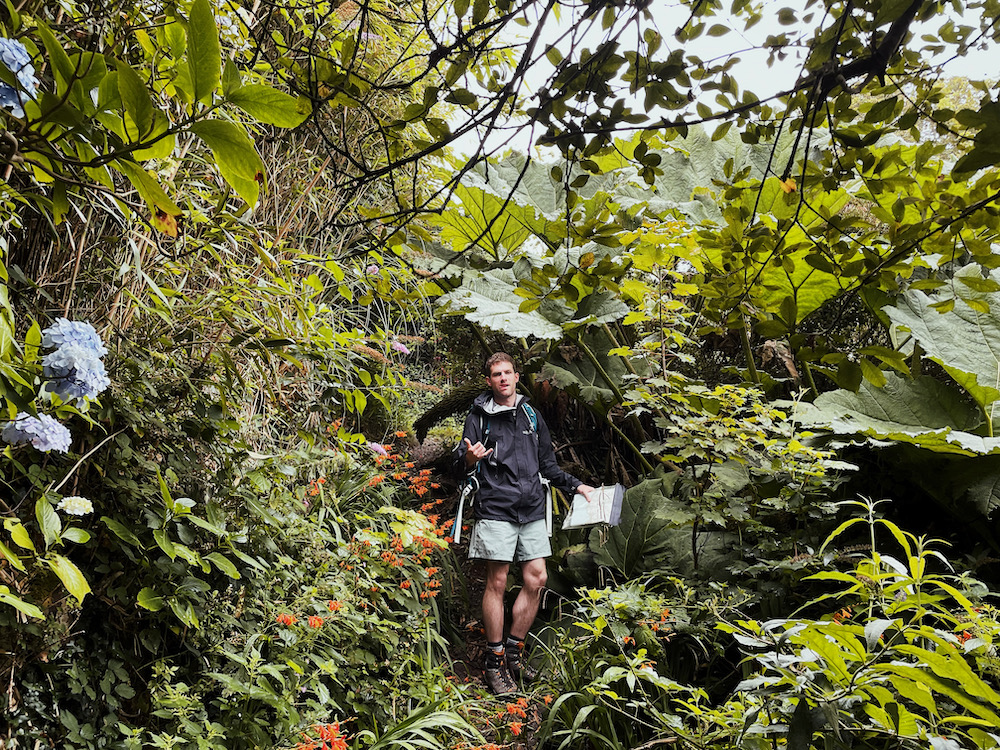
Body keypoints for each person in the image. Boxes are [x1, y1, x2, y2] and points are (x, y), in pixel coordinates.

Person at [456, 352, 595, 695]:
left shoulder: (531, 415)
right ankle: (494, 661)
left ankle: (514, 653)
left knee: (537, 578)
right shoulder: (479, 416)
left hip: (531, 506)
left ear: (517, 377)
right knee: (498, 581)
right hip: (496, 507)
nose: (503, 378)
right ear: (488, 381)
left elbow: (547, 464)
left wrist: (576, 485)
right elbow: (460, 463)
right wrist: (468, 458)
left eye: (507, 373)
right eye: (495, 374)